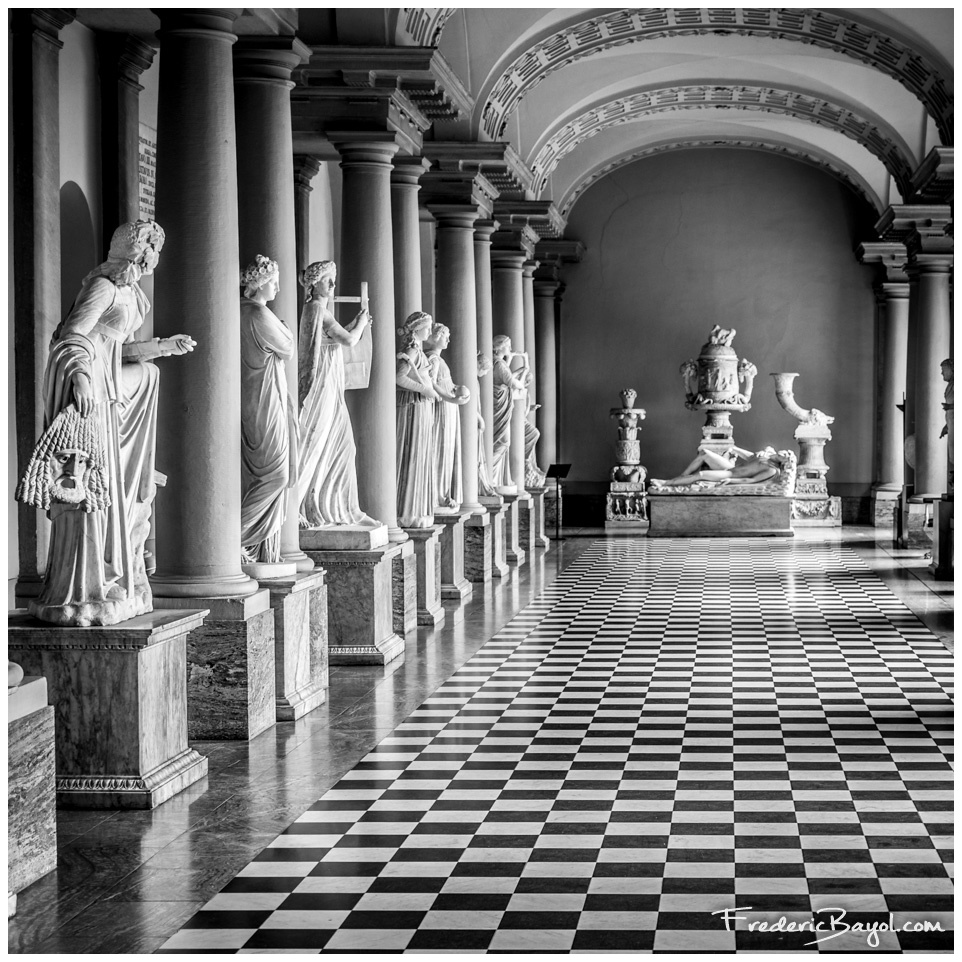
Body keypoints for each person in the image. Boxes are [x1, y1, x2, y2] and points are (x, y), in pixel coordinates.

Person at [22, 219, 195, 625]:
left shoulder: (131, 292)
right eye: (151, 249)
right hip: (93, 390)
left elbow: (120, 350)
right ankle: (84, 586)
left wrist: (161, 348)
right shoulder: (103, 287)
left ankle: (113, 575)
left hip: (113, 391)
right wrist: (80, 374)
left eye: (157, 251)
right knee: (91, 491)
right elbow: (72, 335)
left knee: (115, 491)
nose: (155, 258)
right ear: (135, 251)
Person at [296, 260, 379, 528]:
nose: (332, 284)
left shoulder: (319, 311)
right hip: (321, 388)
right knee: (315, 442)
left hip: (330, 388)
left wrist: (356, 322)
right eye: (327, 279)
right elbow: (349, 340)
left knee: (342, 445)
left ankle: (342, 509)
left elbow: (332, 340)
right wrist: (363, 322)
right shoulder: (317, 309)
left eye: (333, 279)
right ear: (312, 283)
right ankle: (304, 506)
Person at [239, 255, 297, 564]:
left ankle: (254, 545)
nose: (277, 286)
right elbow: (288, 346)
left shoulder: (247, 312)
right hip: (263, 400)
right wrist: (285, 329)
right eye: (274, 280)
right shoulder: (258, 315)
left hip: (258, 397)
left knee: (267, 473)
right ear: (261, 284)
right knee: (275, 474)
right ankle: (235, 537)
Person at [396, 311, 440, 527]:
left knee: (421, 455)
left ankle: (417, 508)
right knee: (413, 454)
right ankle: (407, 510)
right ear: (416, 329)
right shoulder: (411, 351)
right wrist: (423, 389)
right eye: (427, 327)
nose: (429, 332)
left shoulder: (419, 353)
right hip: (413, 406)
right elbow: (399, 377)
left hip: (422, 406)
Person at [424, 322, 469, 512]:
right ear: (435, 336)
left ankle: (443, 493)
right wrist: (451, 398)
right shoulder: (432, 359)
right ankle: (437, 496)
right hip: (442, 409)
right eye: (445, 336)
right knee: (440, 451)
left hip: (448, 409)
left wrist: (458, 392)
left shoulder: (439, 360)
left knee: (447, 452)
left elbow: (441, 383)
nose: (448, 340)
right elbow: (430, 384)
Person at [490, 334, 530, 490]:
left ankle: (494, 476)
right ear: (500, 347)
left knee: (501, 441)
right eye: (508, 346)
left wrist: (524, 367)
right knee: (503, 441)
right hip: (498, 408)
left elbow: (508, 376)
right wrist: (524, 375)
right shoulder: (499, 365)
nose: (511, 349)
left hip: (499, 407)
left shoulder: (499, 364)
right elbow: (514, 383)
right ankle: (490, 474)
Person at [652, 443, 786, 487]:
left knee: (701, 474)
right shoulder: (767, 456)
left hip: (730, 473)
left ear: (784, 461)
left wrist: (730, 480)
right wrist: (734, 448)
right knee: (704, 453)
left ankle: (666, 484)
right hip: (730, 467)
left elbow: (750, 480)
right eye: (785, 452)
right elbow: (750, 457)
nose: (783, 453)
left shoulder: (771, 470)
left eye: (785, 455)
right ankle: (681, 478)